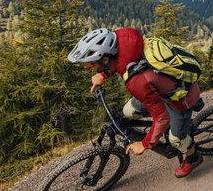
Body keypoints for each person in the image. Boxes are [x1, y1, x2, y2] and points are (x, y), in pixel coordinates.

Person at [67, 28, 203, 178]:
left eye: (89, 65)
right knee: (129, 111)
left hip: (179, 99)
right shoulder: (124, 36)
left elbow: (162, 117)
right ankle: (163, 128)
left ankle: (193, 157)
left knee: (176, 139)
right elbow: (123, 60)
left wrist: (144, 144)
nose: (88, 68)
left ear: (105, 59)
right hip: (158, 87)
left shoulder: (137, 82)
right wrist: (103, 74)